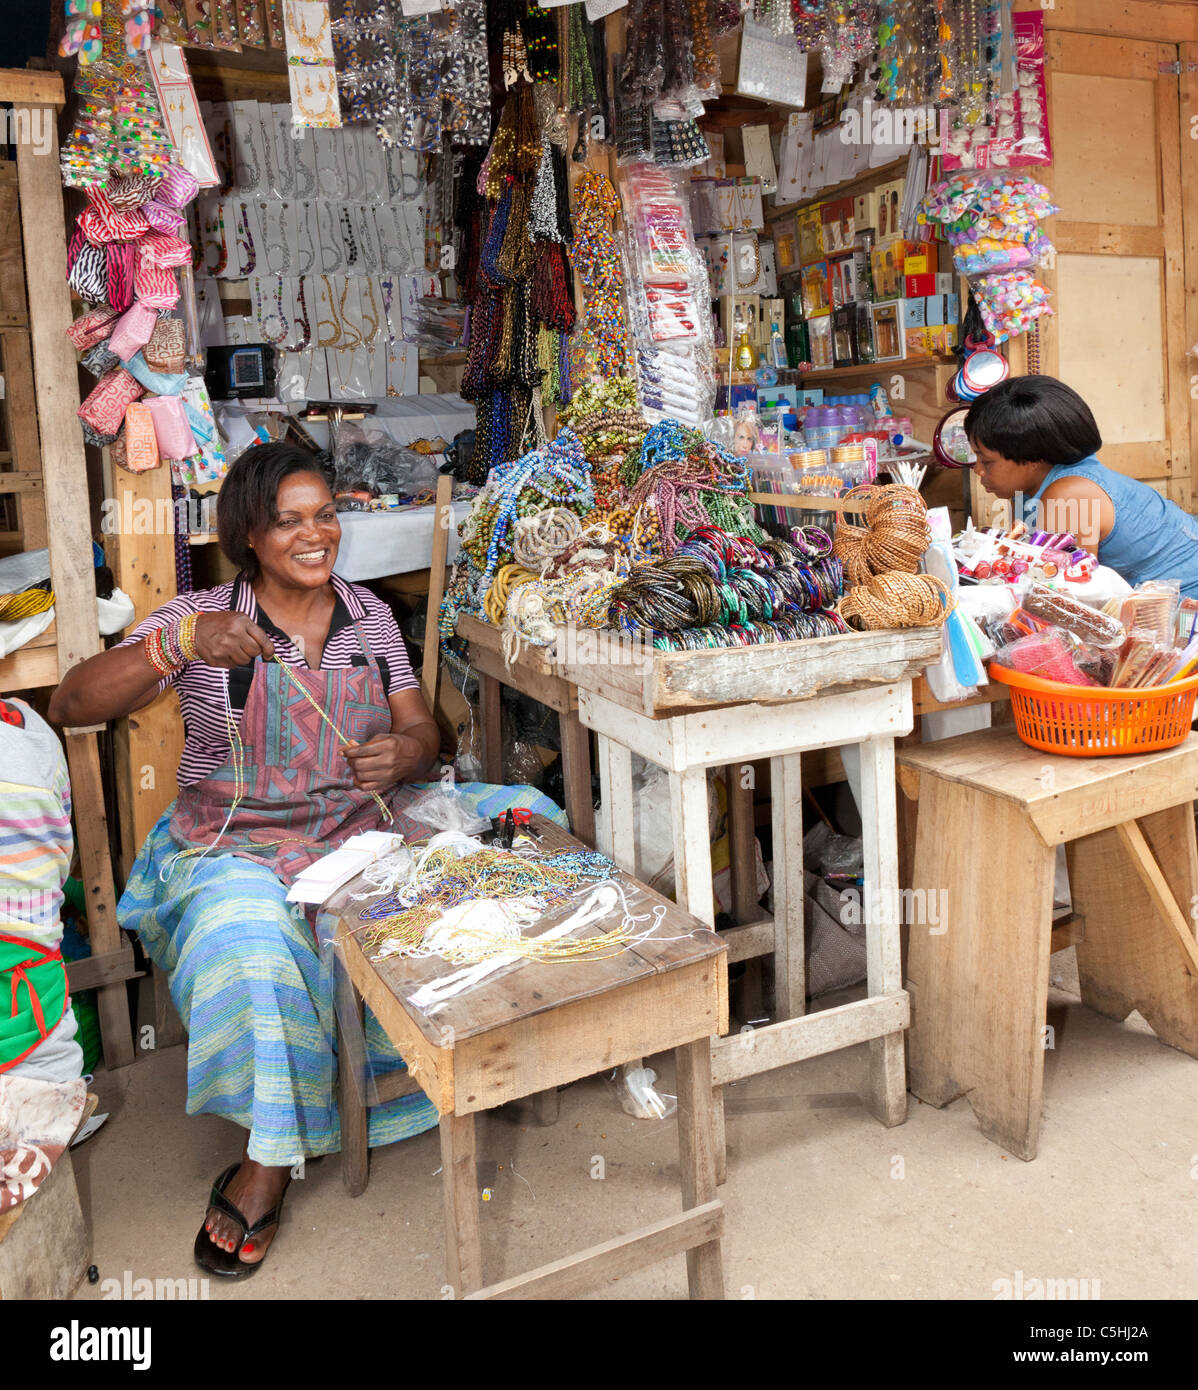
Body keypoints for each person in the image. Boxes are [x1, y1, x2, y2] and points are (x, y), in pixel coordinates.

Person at [49, 442, 539, 1277]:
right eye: (289, 523)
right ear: (247, 535)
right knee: (248, 945)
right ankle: (268, 1161)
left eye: (325, 516)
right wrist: (181, 647)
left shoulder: (370, 618)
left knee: (530, 835)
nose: (315, 537)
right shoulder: (202, 618)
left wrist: (408, 752)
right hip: (230, 845)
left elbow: (428, 731)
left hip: (358, 830)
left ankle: (478, 1063)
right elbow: (70, 702)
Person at [965, 375, 1198, 598]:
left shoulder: (1070, 495)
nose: (978, 470)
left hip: (1185, 606)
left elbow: (1062, 599)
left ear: (1034, 460)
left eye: (986, 461)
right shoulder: (1027, 489)